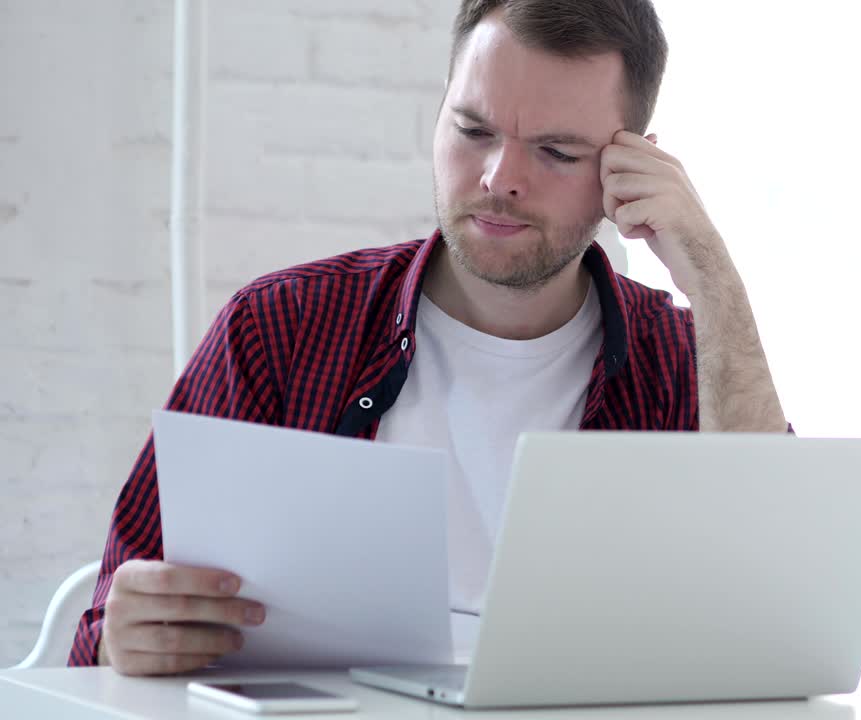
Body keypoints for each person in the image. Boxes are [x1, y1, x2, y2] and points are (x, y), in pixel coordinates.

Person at [70, 0, 788, 676]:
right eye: (473, 130)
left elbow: (776, 615)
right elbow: (106, 632)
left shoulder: (678, 361)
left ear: (628, 170)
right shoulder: (278, 329)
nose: (500, 177)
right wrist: (124, 638)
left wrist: (712, 277)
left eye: (557, 152)